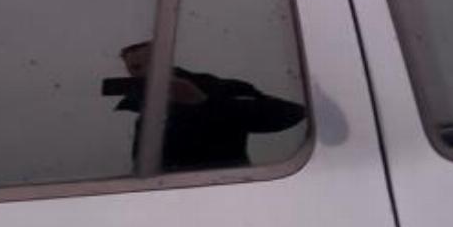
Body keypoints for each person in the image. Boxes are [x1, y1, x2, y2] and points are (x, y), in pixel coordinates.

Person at [107, 40, 305, 171]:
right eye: (133, 68)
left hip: (230, 194)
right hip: (172, 203)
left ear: (166, 60)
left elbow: (291, 113)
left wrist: (202, 103)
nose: (141, 73)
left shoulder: (217, 88)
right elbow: (144, 168)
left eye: (150, 62)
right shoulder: (146, 112)